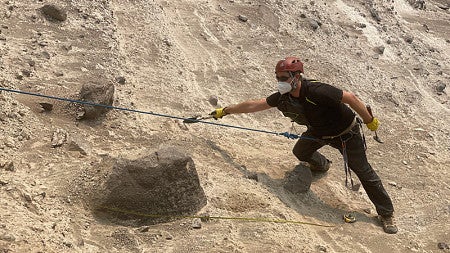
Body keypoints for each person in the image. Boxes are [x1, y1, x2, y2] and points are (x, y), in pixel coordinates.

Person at [209, 57, 398, 234]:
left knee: (363, 171)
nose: (279, 81)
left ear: (296, 77)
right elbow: (253, 105)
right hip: (319, 132)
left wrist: (369, 119)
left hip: (346, 134)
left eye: (283, 77)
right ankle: (322, 164)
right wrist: (225, 111)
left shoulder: (317, 90)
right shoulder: (284, 97)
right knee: (300, 151)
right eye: (277, 77)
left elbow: (350, 98)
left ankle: (386, 213)